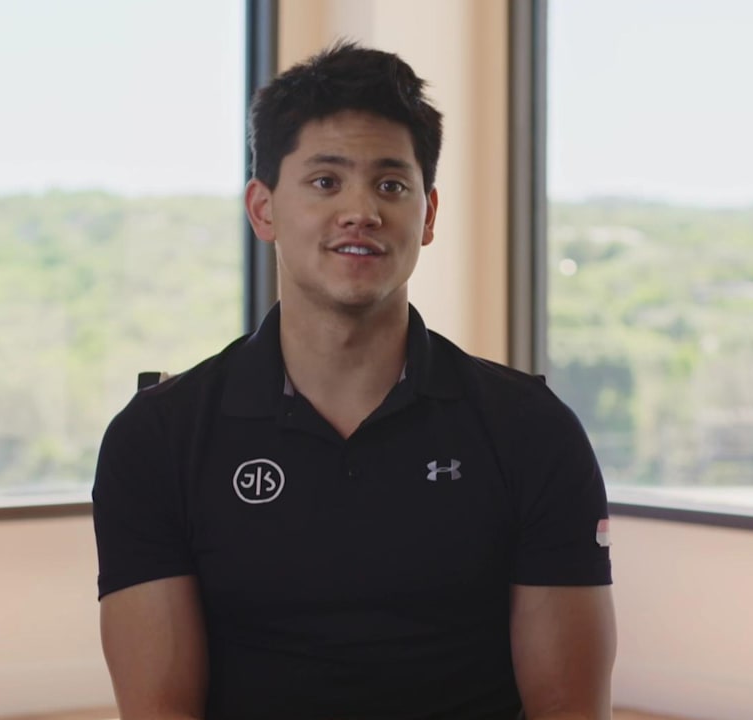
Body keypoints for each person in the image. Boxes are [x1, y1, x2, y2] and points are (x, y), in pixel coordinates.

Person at [92, 42, 616, 720]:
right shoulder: (157, 439)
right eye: (325, 182)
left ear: (428, 216)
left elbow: (569, 711)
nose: (361, 211)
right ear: (263, 209)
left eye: (391, 185)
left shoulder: (533, 431)